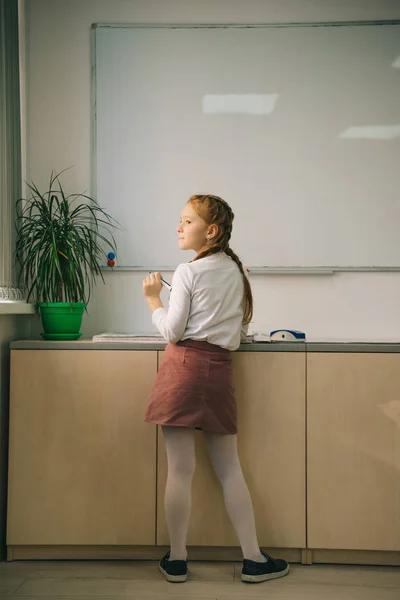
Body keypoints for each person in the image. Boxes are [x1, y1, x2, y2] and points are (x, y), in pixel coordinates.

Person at [142, 194, 289, 584]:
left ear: (211, 231)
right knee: (229, 469)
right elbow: (238, 333)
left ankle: (177, 560)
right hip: (219, 370)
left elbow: (173, 332)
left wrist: (154, 299)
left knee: (180, 470)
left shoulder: (188, 272)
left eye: (186, 221)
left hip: (184, 370)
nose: (179, 227)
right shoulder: (237, 273)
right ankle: (254, 559)